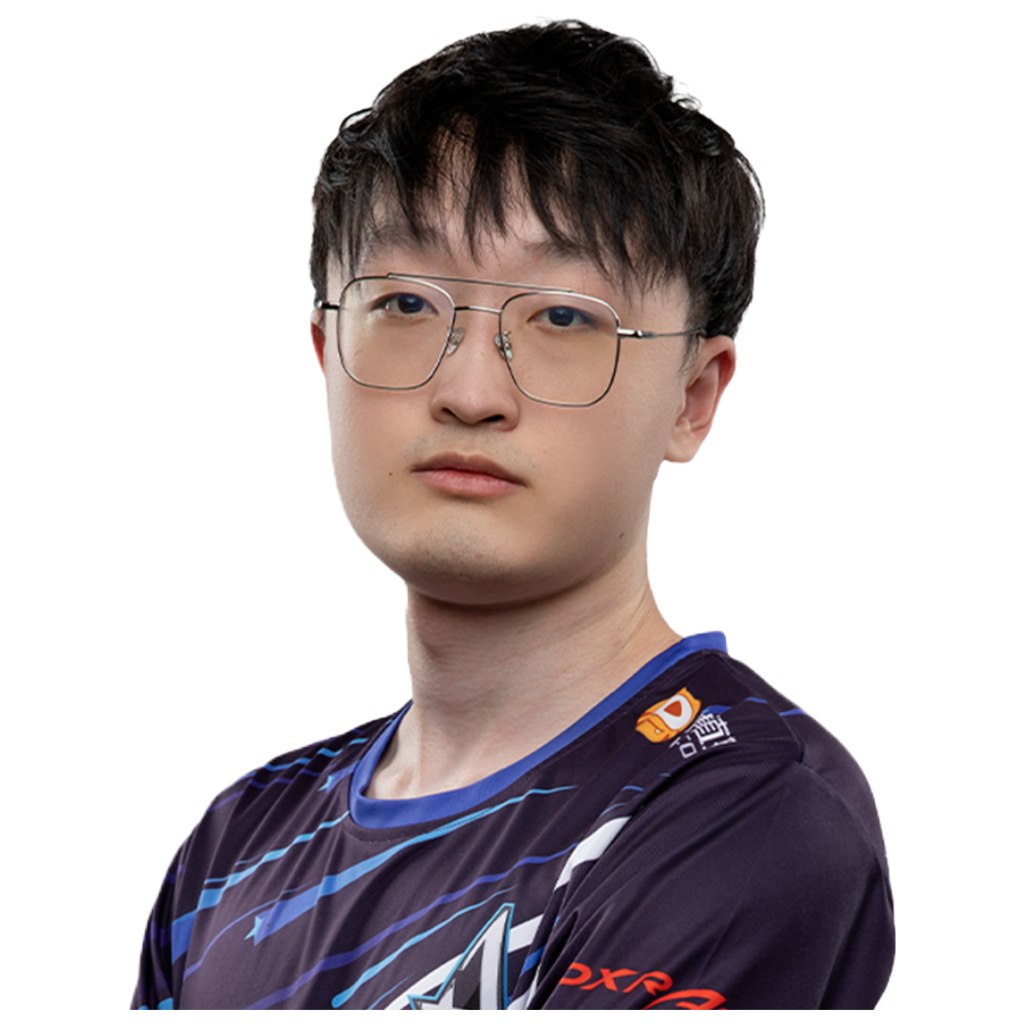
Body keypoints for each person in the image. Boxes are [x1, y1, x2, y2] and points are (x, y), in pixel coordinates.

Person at [130, 16, 895, 1011]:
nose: (470, 392)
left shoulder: (744, 808)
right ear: (326, 354)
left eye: (563, 317)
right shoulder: (240, 842)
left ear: (693, 396)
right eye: (406, 304)